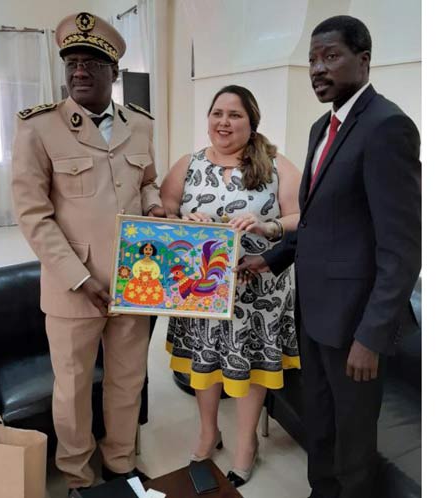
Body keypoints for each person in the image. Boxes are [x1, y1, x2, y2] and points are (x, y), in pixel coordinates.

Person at [237, 15, 421, 498]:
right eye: (313, 59)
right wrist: (271, 259)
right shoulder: (324, 126)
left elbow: (402, 248)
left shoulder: (387, 127)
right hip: (314, 314)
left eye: (331, 56)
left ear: (364, 60)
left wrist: (372, 337)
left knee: (353, 444)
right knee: (320, 427)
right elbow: (319, 221)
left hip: (356, 325)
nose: (318, 69)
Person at [10, 11, 165, 497]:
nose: (79, 71)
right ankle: (78, 475)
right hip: (73, 286)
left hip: (135, 280)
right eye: (72, 62)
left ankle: (121, 462)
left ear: (113, 71)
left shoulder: (140, 125)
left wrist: (155, 207)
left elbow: (148, 181)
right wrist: (80, 278)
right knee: (73, 388)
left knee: (127, 378)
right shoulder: (39, 127)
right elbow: (33, 215)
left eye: (92, 63)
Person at [160, 85, 302, 488]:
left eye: (235, 115)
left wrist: (267, 225)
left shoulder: (275, 165)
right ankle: (208, 433)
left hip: (258, 291)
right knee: (204, 363)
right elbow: (164, 208)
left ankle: (246, 445)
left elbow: (300, 216)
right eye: (217, 113)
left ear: (251, 122)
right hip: (201, 289)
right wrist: (184, 220)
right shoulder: (189, 164)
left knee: (250, 367)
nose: (224, 122)